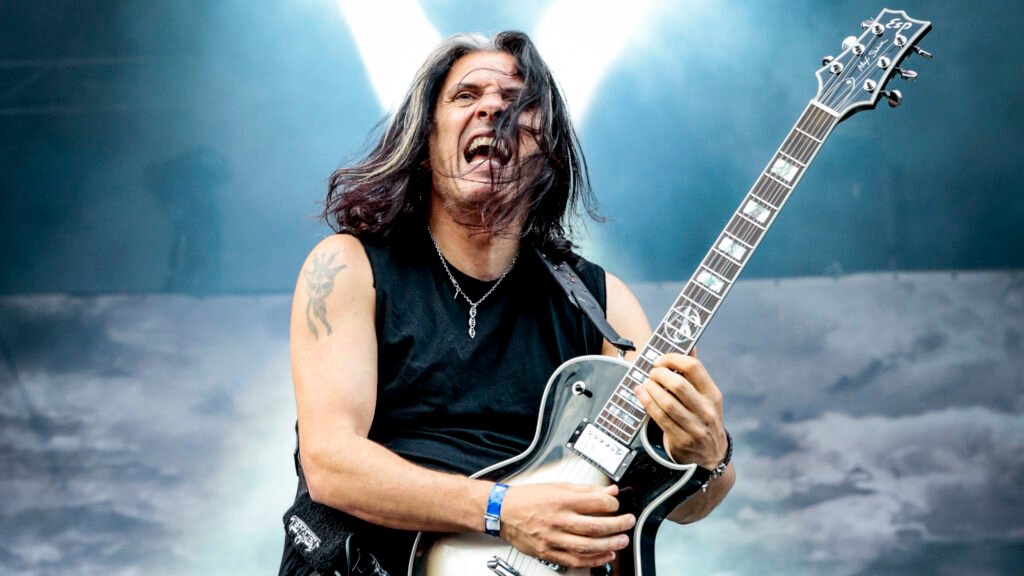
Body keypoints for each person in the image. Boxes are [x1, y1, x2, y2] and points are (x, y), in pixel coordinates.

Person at [280, 31, 734, 575]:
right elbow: (331, 464)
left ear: (546, 155)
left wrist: (710, 454)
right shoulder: (350, 268)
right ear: (425, 144)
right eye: (466, 95)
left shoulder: (601, 304)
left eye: (517, 101)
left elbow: (678, 503)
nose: (493, 107)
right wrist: (503, 511)